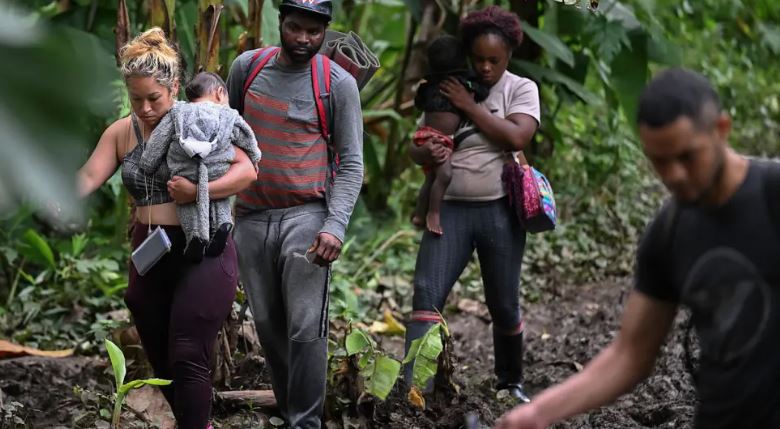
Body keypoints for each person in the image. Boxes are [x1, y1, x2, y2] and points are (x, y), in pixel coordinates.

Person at [497, 68, 780, 429]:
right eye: (660, 161)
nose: (674, 175)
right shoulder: (670, 232)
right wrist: (537, 412)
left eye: (687, 157)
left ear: (721, 130)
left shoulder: (773, 194)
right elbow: (630, 354)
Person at [77, 28, 257, 429]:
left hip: (203, 246)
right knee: (161, 354)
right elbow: (89, 176)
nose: (143, 108)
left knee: (188, 349)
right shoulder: (122, 132)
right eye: (135, 98)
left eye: (153, 98)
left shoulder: (201, 118)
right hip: (151, 249)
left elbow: (248, 170)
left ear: (173, 87)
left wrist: (195, 191)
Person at [225, 0, 364, 427]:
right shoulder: (247, 68)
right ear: (280, 24)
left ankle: (305, 422)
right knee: (267, 324)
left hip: (306, 216)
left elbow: (352, 162)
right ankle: (289, 409)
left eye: (314, 32)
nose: (304, 39)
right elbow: (225, 133)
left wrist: (335, 226)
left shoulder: (336, 83)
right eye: (295, 28)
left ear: (326, 32)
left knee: (305, 327)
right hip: (249, 216)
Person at [405, 5, 540, 403]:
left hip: (499, 210)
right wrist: (424, 149)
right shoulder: (448, 86)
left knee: (502, 300)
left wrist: (469, 106)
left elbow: (516, 137)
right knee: (426, 291)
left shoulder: (520, 89)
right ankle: (417, 387)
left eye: (493, 60)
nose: (484, 68)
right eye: (478, 58)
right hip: (450, 210)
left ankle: (510, 381)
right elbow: (418, 149)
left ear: (509, 56)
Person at [139, 72, 262, 261]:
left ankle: (195, 235)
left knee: (186, 203)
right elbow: (246, 135)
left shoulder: (177, 113)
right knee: (219, 198)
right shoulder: (227, 114)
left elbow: (156, 145)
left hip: (185, 173)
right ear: (220, 93)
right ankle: (223, 223)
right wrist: (255, 156)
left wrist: (147, 163)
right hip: (215, 171)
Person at [411, 35, 490, 235]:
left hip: (426, 134)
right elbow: (482, 92)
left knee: (431, 179)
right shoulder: (462, 85)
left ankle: (420, 214)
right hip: (437, 138)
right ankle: (433, 213)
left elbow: (418, 103)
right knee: (444, 176)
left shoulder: (429, 85)